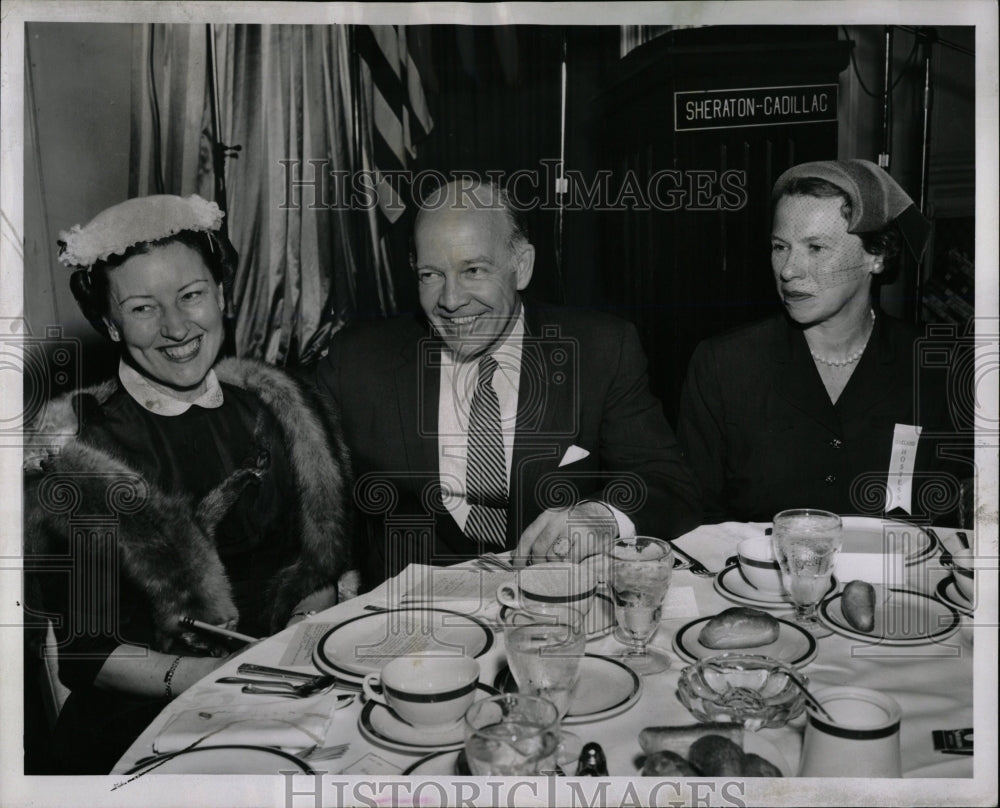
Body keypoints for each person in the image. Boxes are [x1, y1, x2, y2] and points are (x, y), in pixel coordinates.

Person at [23, 194, 351, 773]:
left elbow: (312, 568)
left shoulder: (278, 408)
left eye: (192, 296)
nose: (177, 328)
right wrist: (198, 678)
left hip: (284, 692)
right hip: (143, 718)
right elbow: (86, 654)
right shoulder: (82, 456)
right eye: (144, 308)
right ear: (109, 323)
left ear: (221, 295)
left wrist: (304, 632)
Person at [315, 179, 702, 588]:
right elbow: (299, 493)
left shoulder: (600, 351)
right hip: (411, 620)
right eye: (430, 274)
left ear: (522, 266)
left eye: (473, 270)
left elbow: (669, 485)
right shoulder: (357, 363)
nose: (450, 300)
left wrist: (600, 516)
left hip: (553, 611)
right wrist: (317, 587)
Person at [677, 159, 968, 523]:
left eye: (815, 248)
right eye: (780, 246)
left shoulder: (937, 365)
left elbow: (957, 515)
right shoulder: (724, 365)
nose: (788, 270)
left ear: (875, 256)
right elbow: (694, 514)